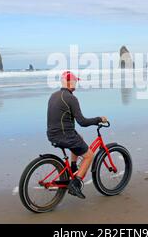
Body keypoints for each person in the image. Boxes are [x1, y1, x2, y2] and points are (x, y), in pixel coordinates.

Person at [46, 71, 108, 199]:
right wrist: (99, 119)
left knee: (79, 138)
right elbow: (82, 122)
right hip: (65, 136)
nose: (76, 83)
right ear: (70, 82)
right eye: (75, 81)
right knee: (89, 155)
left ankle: (73, 166)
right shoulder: (71, 98)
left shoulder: (53, 95)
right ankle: (76, 184)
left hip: (52, 135)